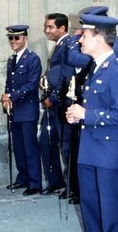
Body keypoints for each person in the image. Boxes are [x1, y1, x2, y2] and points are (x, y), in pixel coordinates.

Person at [66, 12, 118, 232]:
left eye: (84, 36)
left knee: (110, 212)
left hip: (109, 155)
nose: (80, 40)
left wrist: (86, 115)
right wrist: (77, 115)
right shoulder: (94, 68)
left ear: (99, 39)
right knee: (90, 210)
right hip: (90, 150)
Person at [1, 25, 42, 195]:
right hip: (15, 109)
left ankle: (35, 182)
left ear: (25, 38)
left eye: (16, 38)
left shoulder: (33, 59)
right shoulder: (12, 59)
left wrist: (12, 97)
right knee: (18, 146)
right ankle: (22, 177)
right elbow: (9, 83)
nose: (13, 41)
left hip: (27, 109)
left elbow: (31, 85)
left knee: (29, 146)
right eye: (10, 38)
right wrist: (5, 98)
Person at [39, 13, 74, 199]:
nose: (47, 30)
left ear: (62, 28)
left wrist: (52, 98)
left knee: (65, 145)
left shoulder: (68, 45)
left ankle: (72, 187)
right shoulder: (59, 46)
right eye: (46, 26)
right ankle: (55, 181)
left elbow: (66, 76)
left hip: (61, 105)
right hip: (52, 105)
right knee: (46, 140)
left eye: (51, 27)